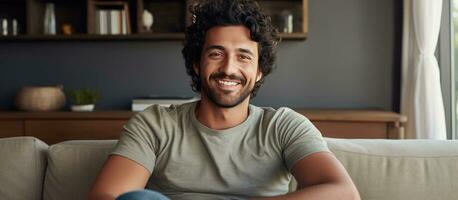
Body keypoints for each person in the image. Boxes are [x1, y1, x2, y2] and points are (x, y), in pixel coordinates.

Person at [88, 0, 361, 199]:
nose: (229, 68)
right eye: (216, 53)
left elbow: (343, 192)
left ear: (259, 70)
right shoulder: (155, 124)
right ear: (197, 63)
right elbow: (108, 196)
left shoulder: (283, 126)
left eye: (244, 56)